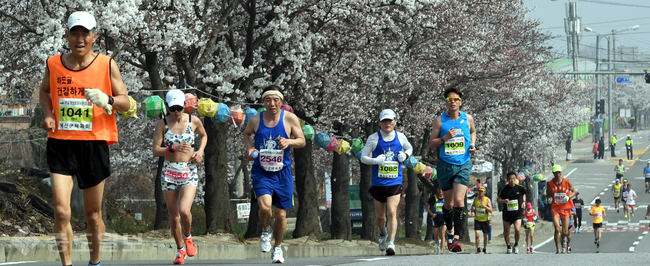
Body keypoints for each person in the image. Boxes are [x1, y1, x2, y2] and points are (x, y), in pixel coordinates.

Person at [39, 11, 131, 266]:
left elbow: (126, 102)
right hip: (61, 143)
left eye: (85, 34)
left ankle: (95, 262)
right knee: (61, 211)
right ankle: (66, 265)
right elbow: (45, 91)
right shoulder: (53, 63)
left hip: (94, 144)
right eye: (74, 33)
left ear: (94, 36)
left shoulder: (106, 64)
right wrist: (48, 114)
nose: (79, 39)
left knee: (92, 215)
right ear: (66, 35)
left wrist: (108, 99)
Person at [243, 85, 306, 263]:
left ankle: (277, 248)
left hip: (283, 173)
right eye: (268, 100)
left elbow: (302, 141)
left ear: (281, 102)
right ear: (263, 102)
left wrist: (289, 141)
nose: (272, 103)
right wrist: (249, 149)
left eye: (276, 100)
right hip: (262, 171)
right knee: (264, 207)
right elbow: (247, 134)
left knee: (281, 215)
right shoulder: (255, 120)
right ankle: (265, 231)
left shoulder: (290, 119)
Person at [152, 90, 207, 264]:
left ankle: (188, 237)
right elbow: (155, 150)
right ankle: (180, 249)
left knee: (184, 210)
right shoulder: (162, 124)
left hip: (188, 170)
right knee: (174, 215)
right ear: (167, 107)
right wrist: (172, 148)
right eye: (172, 108)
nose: (176, 112)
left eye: (179, 108)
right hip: (169, 172)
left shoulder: (193, 121)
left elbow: (204, 135)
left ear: (184, 106)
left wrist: (200, 151)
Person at [428, 87, 477, 253]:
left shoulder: (468, 119)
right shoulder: (440, 121)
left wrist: (472, 145)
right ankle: (449, 232)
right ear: (446, 103)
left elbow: (473, 132)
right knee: (448, 203)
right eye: (450, 100)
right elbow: (431, 143)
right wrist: (445, 138)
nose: (453, 102)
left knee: (458, 201)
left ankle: (456, 237)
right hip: (445, 165)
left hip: (463, 164)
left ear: (460, 102)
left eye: (456, 99)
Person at [360, 108, 413, 256]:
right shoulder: (374, 138)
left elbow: (410, 148)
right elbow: (363, 157)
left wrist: (405, 155)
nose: (387, 124)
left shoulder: (400, 136)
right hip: (378, 182)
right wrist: (375, 160)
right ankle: (382, 233)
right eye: (384, 121)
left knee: (391, 211)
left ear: (395, 121)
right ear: (380, 123)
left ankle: (391, 242)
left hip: (395, 181)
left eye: (390, 121)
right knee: (380, 216)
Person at [546, 165, 576, 254]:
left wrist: (569, 197)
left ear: (561, 173)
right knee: (557, 228)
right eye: (555, 173)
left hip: (566, 208)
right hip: (555, 208)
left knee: (565, 232)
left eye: (559, 173)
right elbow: (548, 194)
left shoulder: (567, 181)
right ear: (553, 173)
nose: (557, 175)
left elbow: (574, 191)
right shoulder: (550, 183)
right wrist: (549, 198)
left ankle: (563, 240)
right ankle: (558, 249)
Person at [497, 172, 526, 254]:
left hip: (517, 213)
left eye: (513, 178)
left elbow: (524, 194)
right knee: (507, 232)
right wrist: (503, 201)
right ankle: (508, 246)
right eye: (510, 178)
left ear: (516, 179)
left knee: (517, 230)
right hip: (507, 214)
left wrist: (523, 202)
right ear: (507, 180)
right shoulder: (503, 189)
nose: (512, 180)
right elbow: (498, 200)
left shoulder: (520, 188)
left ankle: (516, 245)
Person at [426, 185, 446, 255]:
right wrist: (431, 214)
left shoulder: (446, 197)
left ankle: (442, 250)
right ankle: (438, 243)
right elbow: (426, 206)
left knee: (442, 234)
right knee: (436, 236)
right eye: (439, 189)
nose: (440, 191)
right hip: (436, 218)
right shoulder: (433, 198)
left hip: (444, 217)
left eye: (441, 189)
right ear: (437, 190)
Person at [472, 187, 492, 254]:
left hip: (485, 220)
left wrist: (485, 206)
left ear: (484, 192)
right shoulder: (476, 199)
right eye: (479, 191)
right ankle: (478, 248)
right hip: (477, 219)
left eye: (482, 191)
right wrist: (474, 208)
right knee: (477, 234)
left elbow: (491, 210)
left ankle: (485, 248)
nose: (480, 192)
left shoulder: (487, 200)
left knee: (486, 236)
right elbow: (473, 206)